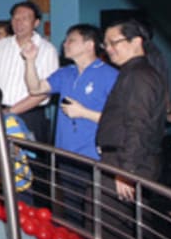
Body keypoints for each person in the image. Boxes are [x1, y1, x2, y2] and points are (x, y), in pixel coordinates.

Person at [22, 23, 118, 224]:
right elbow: (35, 89)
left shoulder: (110, 75)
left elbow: (119, 119)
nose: (65, 44)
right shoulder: (65, 73)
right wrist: (30, 61)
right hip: (65, 153)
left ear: (89, 45)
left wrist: (83, 113)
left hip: (93, 156)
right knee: (71, 209)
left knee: (93, 212)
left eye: (71, 40)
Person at [93, 19, 167, 239]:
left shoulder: (139, 75)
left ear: (136, 42)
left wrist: (126, 171)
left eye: (114, 42)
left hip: (125, 162)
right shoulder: (134, 72)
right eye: (105, 44)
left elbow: (139, 124)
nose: (109, 49)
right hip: (123, 160)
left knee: (114, 230)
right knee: (123, 228)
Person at [0, 1, 59, 142]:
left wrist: (11, 111)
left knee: (28, 155)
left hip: (29, 116)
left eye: (25, 18)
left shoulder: (47, 50)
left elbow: (44, 92)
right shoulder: (1, 45)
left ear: (36, 23)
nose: (19, 22)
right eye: (15, 18)